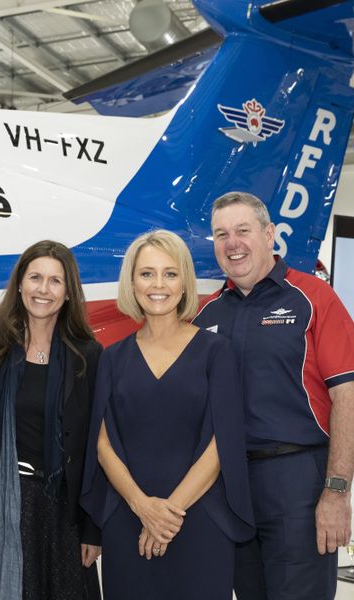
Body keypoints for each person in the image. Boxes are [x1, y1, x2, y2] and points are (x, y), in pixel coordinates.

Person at [193, 191, 354, 600]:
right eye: (221, 234)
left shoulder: (313, 298)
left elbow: (349, 394)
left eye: (243, 231)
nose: (232, 243)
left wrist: (337, 492)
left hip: (297, 482)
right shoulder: (207, 315)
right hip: (230, 484)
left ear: (269, 234)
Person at [81, 230, 254, 600]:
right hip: (127, 519)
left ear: (184, 282)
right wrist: (143, 508)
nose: (158, 284)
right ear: (131, 281)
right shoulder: (110, 357)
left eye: (170, 273)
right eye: (147, 274)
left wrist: (167, 515)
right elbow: (101, 443)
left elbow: (221, 442)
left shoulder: (216, 351)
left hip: (200, 519)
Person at [0, 241, 103, 600]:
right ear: (19, 284)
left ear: (68, 293)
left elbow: (98, 445)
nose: (43, 289)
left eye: (55, 281)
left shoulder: (88, 355)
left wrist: (93, 529)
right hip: (7, 504)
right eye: (35, 277)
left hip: (64, 511)